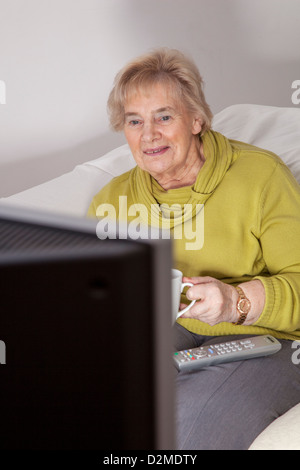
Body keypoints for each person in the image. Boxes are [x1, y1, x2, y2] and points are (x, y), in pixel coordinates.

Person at [88, 48, 300, 450]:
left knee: (180, 427)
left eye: (164, 117)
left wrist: (236, 300)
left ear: (196, 119)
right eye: (135, 121)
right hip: (171, 329)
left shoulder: (261, 176)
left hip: (272, 337)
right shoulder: (112, 200)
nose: (148, 134)